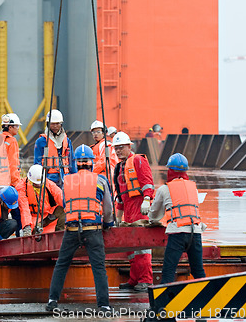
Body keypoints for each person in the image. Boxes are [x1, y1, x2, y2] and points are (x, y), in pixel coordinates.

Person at [45, 144, 114, 313]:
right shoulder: (101, 180)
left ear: (76, 162)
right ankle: (103, 305)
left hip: (72, 229)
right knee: (98, 267)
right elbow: (108, 209)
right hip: (93, 228)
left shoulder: (66, 181)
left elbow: (65, 202)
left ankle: (52, 301)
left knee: (62, 264)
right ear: (91, 162)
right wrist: (108, 224)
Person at [148, 153, 206, 284]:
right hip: (195, 233)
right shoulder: (193, 187)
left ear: (169, 170)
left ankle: (164, 302)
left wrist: (152, 220)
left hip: (177, 233)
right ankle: (208, 298)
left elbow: (154, 214)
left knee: (169, 270)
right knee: (198, 271)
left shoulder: (164, 189)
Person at [113, 131, 155, 292]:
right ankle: (134, 279)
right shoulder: (119, 168)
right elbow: (121, 196)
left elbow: (147, 182)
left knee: (142, 246)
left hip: (140, 208)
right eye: (116, 148)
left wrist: (146, 199)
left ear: (129, 146)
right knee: (130, 248)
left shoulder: (138, 160)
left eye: (121, 147)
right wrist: (118, 216)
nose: (118, 151)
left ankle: (146, 280)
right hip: (128, 211)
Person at [16, 164, 64, 235]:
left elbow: (60, 197)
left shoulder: (48, 184)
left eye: (40, 183)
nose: (38, 185)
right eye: (35, 184)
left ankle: (59, 235)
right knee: (33, 232)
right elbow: (24, 209)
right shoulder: (21, 188)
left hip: (47, 215)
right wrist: (27, 227)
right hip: (33, 219)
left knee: (63, 210)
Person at [34, 109, 77, 187]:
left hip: (65, 177)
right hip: (49, 178)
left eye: (57, 124)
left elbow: (71, 160)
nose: (55, 126)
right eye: (52, 124)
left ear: (61, 124)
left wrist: (75, 177)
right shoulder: (41, 141)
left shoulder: (66, 140)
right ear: (48, 124)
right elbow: (37, 162)